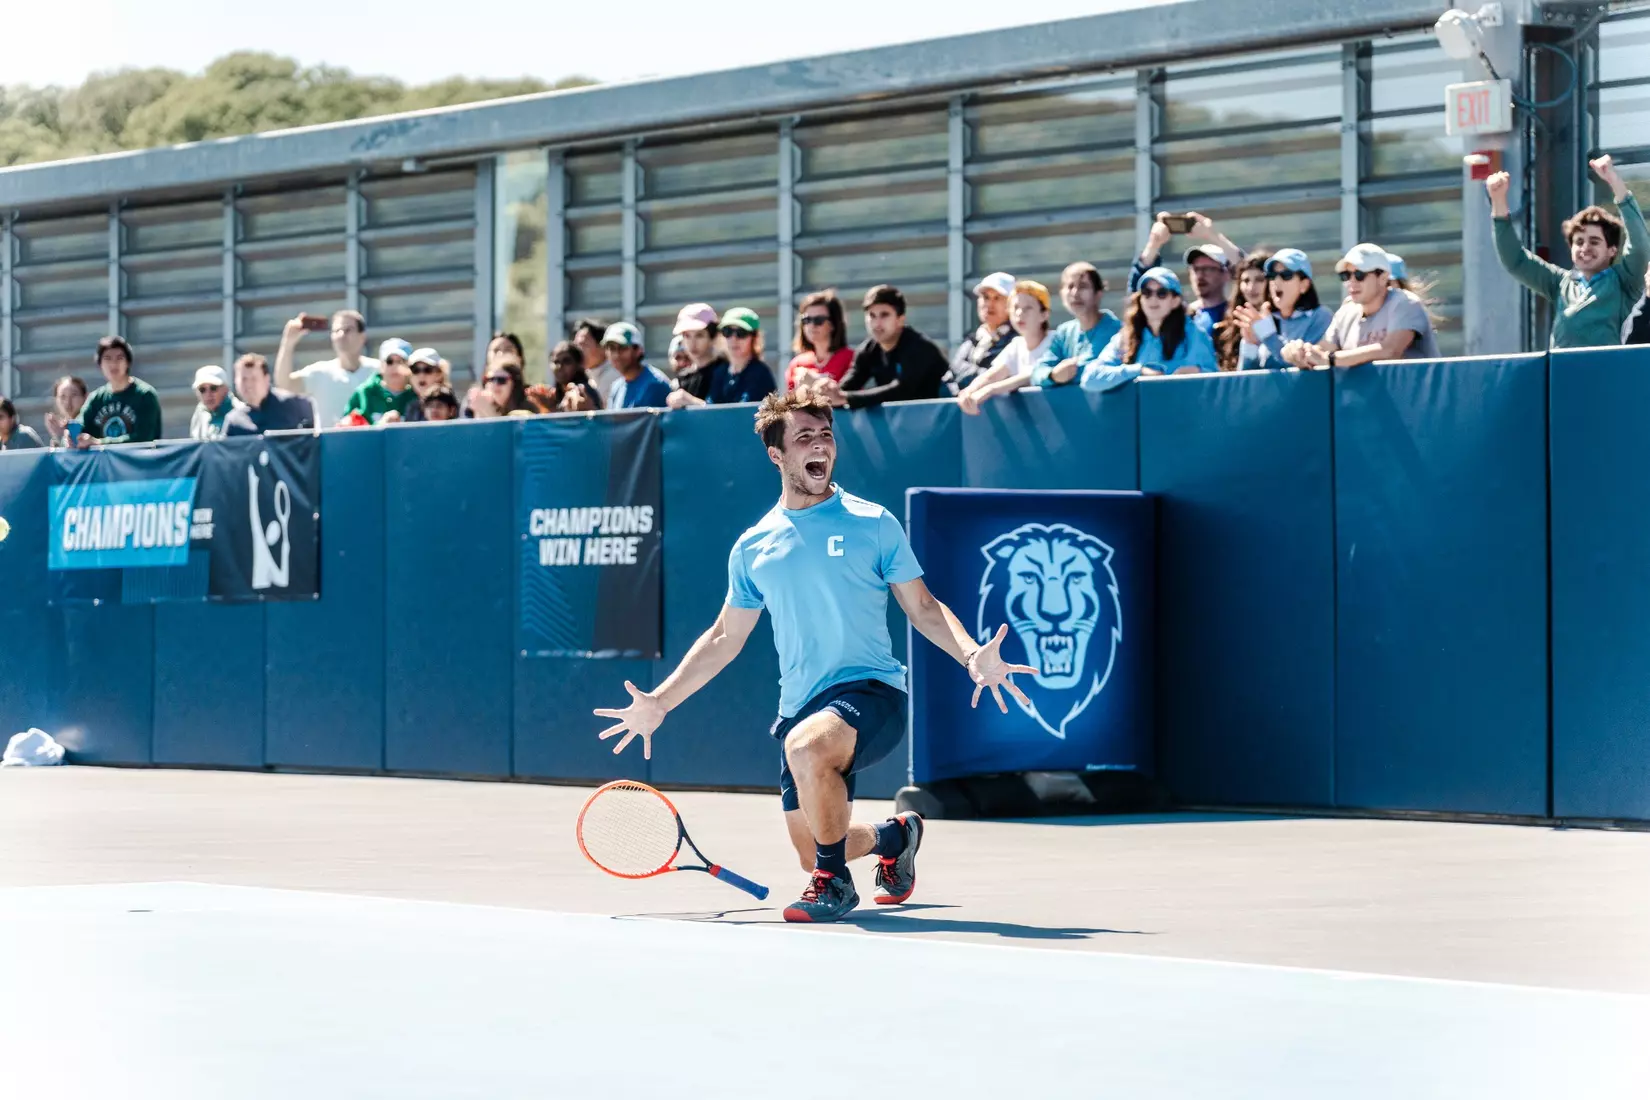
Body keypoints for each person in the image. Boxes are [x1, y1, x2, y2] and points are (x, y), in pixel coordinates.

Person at [592, 388, 1035, 923]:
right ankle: (896, 836)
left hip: (871, 694)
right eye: (804, 436)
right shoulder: (754, 546)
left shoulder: (872, 523)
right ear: (777, 455)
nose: (819, 444)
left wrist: (970, 656)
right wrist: (660, 702)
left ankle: (833, 886)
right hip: (799, 708)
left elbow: (922, 606)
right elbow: (723, 638)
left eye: (825, 434)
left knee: (808, 758)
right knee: (814, 843)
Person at [1487, 154, 1649, 350]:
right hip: (1563, 374)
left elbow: (1640, 245)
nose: (1585, 248)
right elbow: (1516, 261)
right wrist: (1498, 201)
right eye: (1579, 242)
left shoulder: (1623, 282)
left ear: (1612, 250)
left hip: (1606, 374)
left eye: (1594, 241)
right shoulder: (1559, 283)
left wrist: (1613, 180)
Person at [1283, 243, 1440, 368]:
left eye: (1359, 275)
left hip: (1416, 404)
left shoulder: (1405, 302)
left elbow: (1390, 350)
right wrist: (1301, 352)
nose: (1351, 282)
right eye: (1345, 276)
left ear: (1383, 277)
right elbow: (1323, 350)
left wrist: (1331, 359)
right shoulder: (1346, 311)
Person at [1081, 267, 1218, 392]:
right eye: (1147, 292)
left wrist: (1197, 372)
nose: (1153, 299)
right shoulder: (1126, 337)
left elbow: (1216, 382)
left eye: (1162, 293)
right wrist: (1138, 371)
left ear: (1175, 300)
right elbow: (1090, 378)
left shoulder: (1194, 334)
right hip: (1138, 418)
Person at [820, 285, 949, 409]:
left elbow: (901, 390)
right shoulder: (867, 350)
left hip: (944, 424)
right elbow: (848, 386)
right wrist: (828, 391)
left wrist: (846, 398)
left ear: (900, 319)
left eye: (884, 315)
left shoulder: (919, 347)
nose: (877, 323)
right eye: (872, 315)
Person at [1129, 211, 1245, 334]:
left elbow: (1247, 271)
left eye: (1208, 269)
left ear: (1226, 274)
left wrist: (1213, 235)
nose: (1200, 275)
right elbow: (1137, 293)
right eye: (1196, 269)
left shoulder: (1237, 312)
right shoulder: (1179, 315)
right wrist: (1153, 244)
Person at [956, 279, 1054, 414]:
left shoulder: (1056, 341)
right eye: (1015, 308)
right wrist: (969, 392)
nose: (1019, 314)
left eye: (1028, 308)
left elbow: (1034, 373)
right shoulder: (1016, 345)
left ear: (1044, 314)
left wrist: (990, 390)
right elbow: (992, 375)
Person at [1230, 248, 1334, 370]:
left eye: (1286, 275)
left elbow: (1303, 367)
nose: (1276, 281)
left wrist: (1267, 334)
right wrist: (1250, 344)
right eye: (1272, 276)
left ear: (1304, 285)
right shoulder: (1266, 317)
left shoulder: (1321, 317)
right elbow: (1246, 381)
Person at [275, 309, 381, 427]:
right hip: (332, 444)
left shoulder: (379, 370)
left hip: (372, 443)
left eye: (348, 330)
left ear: (362, 336)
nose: (341, 335)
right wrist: (288, 342)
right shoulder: (320, 373)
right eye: (337, 331)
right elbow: (284, 383)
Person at [1030, 262, 1123, 387]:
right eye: (1070, 286)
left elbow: (1091, 371)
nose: (1075, 293)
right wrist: (1053, 375)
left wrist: (1064, 373)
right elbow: (1038, 372)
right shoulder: (1063, 332)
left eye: (1083, 286)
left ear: (1098, 293)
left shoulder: (1115, 330)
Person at [669, 308, 778, 407]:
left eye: (741, 333)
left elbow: (741, 416)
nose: (733, 339)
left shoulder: (759, 373)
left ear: (755, 337)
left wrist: (691, 401)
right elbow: (711, 408)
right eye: (727, 332)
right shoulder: (721, 372)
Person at [79, 335, 163, 446]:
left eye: (119, 358)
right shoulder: (96, 399)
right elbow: (80, 427)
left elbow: (144, 438)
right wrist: (67, 434)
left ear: (128, 362)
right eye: (107, 358)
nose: (113, 364)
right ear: (100, 364)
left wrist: (99, 443)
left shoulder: (145, 395)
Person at [948, 271, 1017, 392]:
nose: (989, 304)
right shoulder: (971, 342)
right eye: (985, 297)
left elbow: (998, 379)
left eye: (997, 298)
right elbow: (946, 382)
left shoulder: (1017, 342)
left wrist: (966, 377)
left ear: (1011, 304)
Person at [224, 353, 316, 435]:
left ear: (266, 379)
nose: (248, 384)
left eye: (254, 379)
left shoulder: (293, 405)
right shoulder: (234, 421)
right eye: (244, 379)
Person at [785, 289, 853, 392]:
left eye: (819, 320)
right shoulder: (797, 363)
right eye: (806, 320)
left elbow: (852, 396)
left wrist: (814, 380)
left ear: (833, 323)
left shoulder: (851, 358)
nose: (811, 325)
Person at [1213, 253, 1271, 371]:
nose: (1251, 287)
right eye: (1245, 280)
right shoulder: (1223, 331)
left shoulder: (1285, 322)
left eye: (1259, 280)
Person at [345, 338, 420, 424]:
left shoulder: (417, 395)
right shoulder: (364, 394)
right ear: (381, 365)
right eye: (389, 361)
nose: (395, 366)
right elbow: (346, 431)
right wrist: (380, 426)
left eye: (401, 361)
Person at [666, 302, 725, 407]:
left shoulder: (727, 373)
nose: (692, 343)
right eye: (687, 336)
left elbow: (728, 416)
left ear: (713, 337)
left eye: (699, 335)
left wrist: (691, 402)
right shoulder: (683, 378)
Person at [602, 322, 672, 409]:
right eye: (612, 348)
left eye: (623, 348)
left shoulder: (655, 384)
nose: (616, 355)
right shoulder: (616, 387)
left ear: (638, 350)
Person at [549, 340, 606, 411]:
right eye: (556, 362)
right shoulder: (553, 395)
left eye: (566, 361)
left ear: (578, 364)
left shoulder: (584, 393)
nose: (559, 366)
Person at [188, 365, 241, 440]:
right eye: (202, 389)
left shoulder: (240, 412)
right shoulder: (200, 412)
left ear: (225, 389)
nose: (208, 394)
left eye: (213, 388)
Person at [573, 318, 621, 398]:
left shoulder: (618, 376)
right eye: (575, 346)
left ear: (603, 347)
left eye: (583, 345)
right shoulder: (580, 377)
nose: (577, 351)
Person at [466, 362, 533, 418]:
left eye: (501, 380)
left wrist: (487, 411)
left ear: (514, 384)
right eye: (491, 379)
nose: (495, 384)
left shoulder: (525, 413)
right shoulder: (476, 408)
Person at [44, 375, 89, 448]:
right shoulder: (61, 428)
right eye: (62, 397)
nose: (68, 402)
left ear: (86, 397)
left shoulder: (92, 425)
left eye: (74, 395)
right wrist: (56, 437)